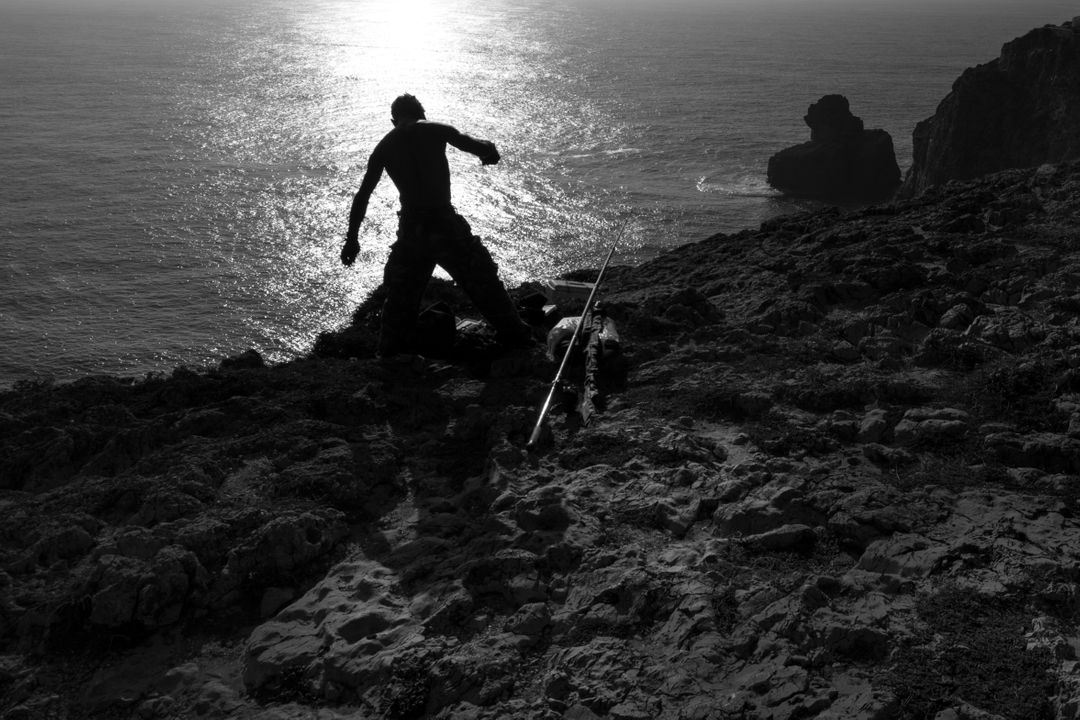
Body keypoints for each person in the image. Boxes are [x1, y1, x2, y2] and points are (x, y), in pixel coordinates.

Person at [340, 94, 532, 356]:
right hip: (444, 225)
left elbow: (362, 196)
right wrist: (489, 150)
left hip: (411, 231)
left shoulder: (384, 147)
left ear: (394, 120)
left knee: (400, 300)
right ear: (422, 112)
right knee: (483, 282)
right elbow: (478, 146)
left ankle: (389, 358)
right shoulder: (436, 129)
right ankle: (516, 337)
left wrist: (352, 239)